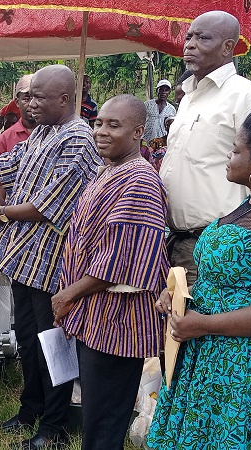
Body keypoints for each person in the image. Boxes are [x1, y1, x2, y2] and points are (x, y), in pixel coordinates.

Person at [0, 64, 102, 449]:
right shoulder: (43, 132)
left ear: (64, 99)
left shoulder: (78, 139)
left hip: (54, 262)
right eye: (28, 97)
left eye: (39, 97)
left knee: (53, 344)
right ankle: (30, 409)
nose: (30, 104)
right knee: (29, 341)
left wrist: (0, 213)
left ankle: (53, 428)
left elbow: (49, 204)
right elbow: (7, 164)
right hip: (25, 258)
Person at [148, 107, 251, 449]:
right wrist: (181, 294)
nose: (227, 157)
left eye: (236, 150)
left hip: (248, 365)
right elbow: (226, 277)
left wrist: (205, 325)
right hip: (212, 355)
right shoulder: (248, 205)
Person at [54, 95, 168, 450]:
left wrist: (70, 292)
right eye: (99, 123)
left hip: (118, 321)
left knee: (105, 420)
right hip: (96, 314)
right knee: (97, 412)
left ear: (138, 133)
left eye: (113, 126)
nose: (101, 131)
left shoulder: (140, 181)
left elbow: (123, 260)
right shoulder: (110, 171)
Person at [160, 10, 251, 285]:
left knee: (206, 324)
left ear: (227, 47)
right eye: (189, 37)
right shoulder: (188, 97)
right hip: (175, 241)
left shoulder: (246, 96)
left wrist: (240, 236)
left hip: (217, 245)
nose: (190, 44)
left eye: (202, 38)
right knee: (178, 324)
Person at [0, 74, 36, 156]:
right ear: (17, 102)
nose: (32, 104)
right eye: (27, 99)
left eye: (36, 98)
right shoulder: (5, 138)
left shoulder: (52, 132)